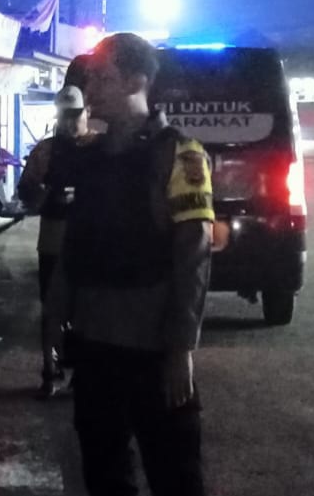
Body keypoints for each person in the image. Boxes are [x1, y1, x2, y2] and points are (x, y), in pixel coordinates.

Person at [47, 33, 215, 496]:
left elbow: (193, 254)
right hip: (94, 347)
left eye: (103, 78)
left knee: (176, 476)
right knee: (104, 475)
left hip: (152, 351)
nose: (91, 89)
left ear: (137, 81)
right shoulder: (89, 159)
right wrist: (54, 321)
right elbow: (73, 246)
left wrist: (181, 348)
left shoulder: (179, 154)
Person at [16, 83, 95, 399]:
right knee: (51, 310)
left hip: (90, 243)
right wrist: (47, 194)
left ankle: (84, 372)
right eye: (65, 115)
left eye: (75, 114)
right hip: (52, 242)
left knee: (87, 311)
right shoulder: (45, 151)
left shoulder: (99, 148)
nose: (70, 121)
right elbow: (26, 192)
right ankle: (50, 371)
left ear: (87, 113)